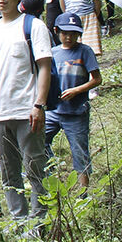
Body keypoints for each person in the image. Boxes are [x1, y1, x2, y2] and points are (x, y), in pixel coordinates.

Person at [0, 0, 52, 225]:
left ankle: (40, 220)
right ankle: (19, 220)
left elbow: (44, 66)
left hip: (26, 109)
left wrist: (39, 104)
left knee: (35, 168)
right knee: (8, 172)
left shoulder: (32, 26)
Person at [47, 12, 100, 190]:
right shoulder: (52, 53)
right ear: (56, 31)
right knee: (38, 140)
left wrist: (77, 90)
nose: (68, 37)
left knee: (79, 150)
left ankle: (83, 191)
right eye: (64, 33)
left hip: (76, 111)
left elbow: (96, 79)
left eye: (73, 34)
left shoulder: (85, 51)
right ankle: (49, 175)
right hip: (53, 110)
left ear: (79, 34)